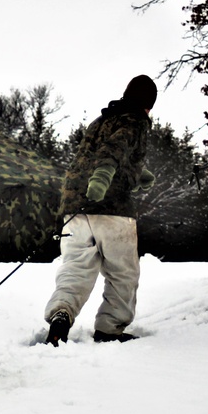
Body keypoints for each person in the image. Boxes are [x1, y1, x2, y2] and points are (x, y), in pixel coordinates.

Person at [44, 74, 157, 346]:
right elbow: (113, 150)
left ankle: (62, 313)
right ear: (148, 104)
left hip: (74, 208)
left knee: (75, 268)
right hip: (112, 207)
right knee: (122, 273)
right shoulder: (136, 120)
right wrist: (102, 179)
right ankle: (110, 328)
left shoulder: (102, 120)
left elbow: (92, 156)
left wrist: (137, 174)